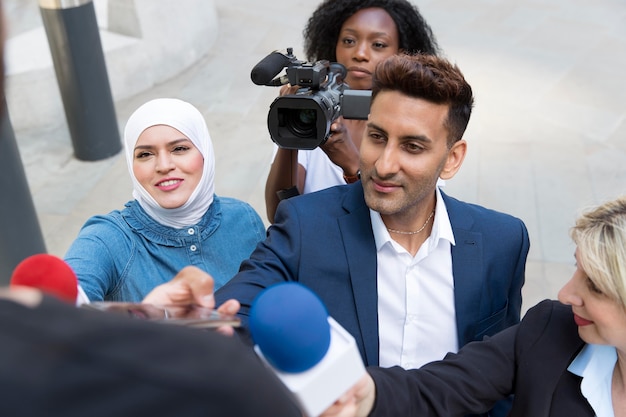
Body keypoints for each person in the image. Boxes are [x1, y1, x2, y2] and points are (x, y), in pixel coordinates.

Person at [217, 53, 529, 417]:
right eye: (377, 137)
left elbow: (501, 373)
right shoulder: (306, 225)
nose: (383, 165)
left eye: (412, 146)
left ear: (452, 158)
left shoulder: (502, 241)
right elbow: (232, 314)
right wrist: (189, 313)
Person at [323, 195, 626, 417]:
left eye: (596, 286)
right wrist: (367, 393)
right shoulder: (551, 329)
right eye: (577, 269)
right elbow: (442, 387)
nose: (565, 294)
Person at [64, 98, 266, 302]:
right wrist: (145, 316)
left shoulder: (243, 218)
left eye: (179, 149)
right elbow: (62, 307)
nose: (163, 165)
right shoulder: (108, 239)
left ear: (205, 152)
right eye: (145, 154)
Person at [264, 0, 439, 222]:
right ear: (333, 44)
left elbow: (409, 221)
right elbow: (279, 214)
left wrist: (352, 167)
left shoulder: (416, 122)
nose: (360, 53)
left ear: (402, 54)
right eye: (348, 40)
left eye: (378, 44)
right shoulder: (310, 109)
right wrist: (290, 133)